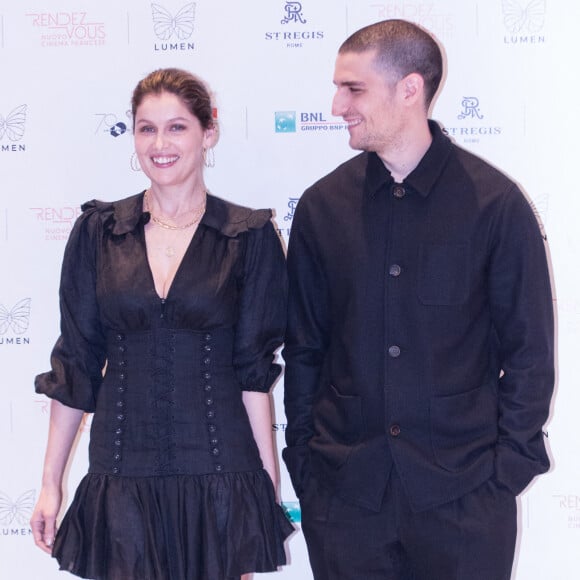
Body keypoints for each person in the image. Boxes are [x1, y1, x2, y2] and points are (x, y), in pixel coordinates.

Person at [282, 19, 554, 580]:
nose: (337, 106)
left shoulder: (495, 206)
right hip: (347, 499)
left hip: (466, 502)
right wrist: (306, 463)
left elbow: (529, 353)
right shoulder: (321, 207)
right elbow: (305, 348)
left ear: (409, 89)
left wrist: (505, 470)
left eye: (353, 88)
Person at [30, 67, 293, 580]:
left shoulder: (248, 237)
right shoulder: (98, 233)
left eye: (177, 127)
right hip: (122, 473)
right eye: (146, 128)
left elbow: (254, 376)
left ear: (207, 132)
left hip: (220, 474)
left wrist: (267, 489)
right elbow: (77, 365)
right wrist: (50, 483)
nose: (160, 143)